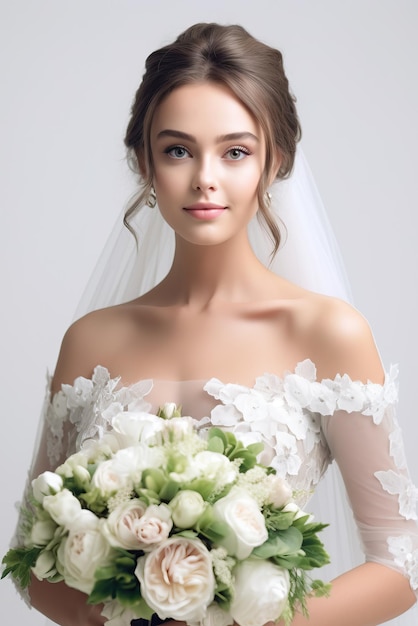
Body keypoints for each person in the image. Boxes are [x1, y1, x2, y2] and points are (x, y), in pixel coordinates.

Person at [10, 22, 418, 626]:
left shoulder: (328, 334)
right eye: (178, 149)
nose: (205, 177)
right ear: (144, 162)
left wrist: (254, 622)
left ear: (273, 161)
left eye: (235, 151)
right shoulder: (91, 341)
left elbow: (402, 563)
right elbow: (29, 559)